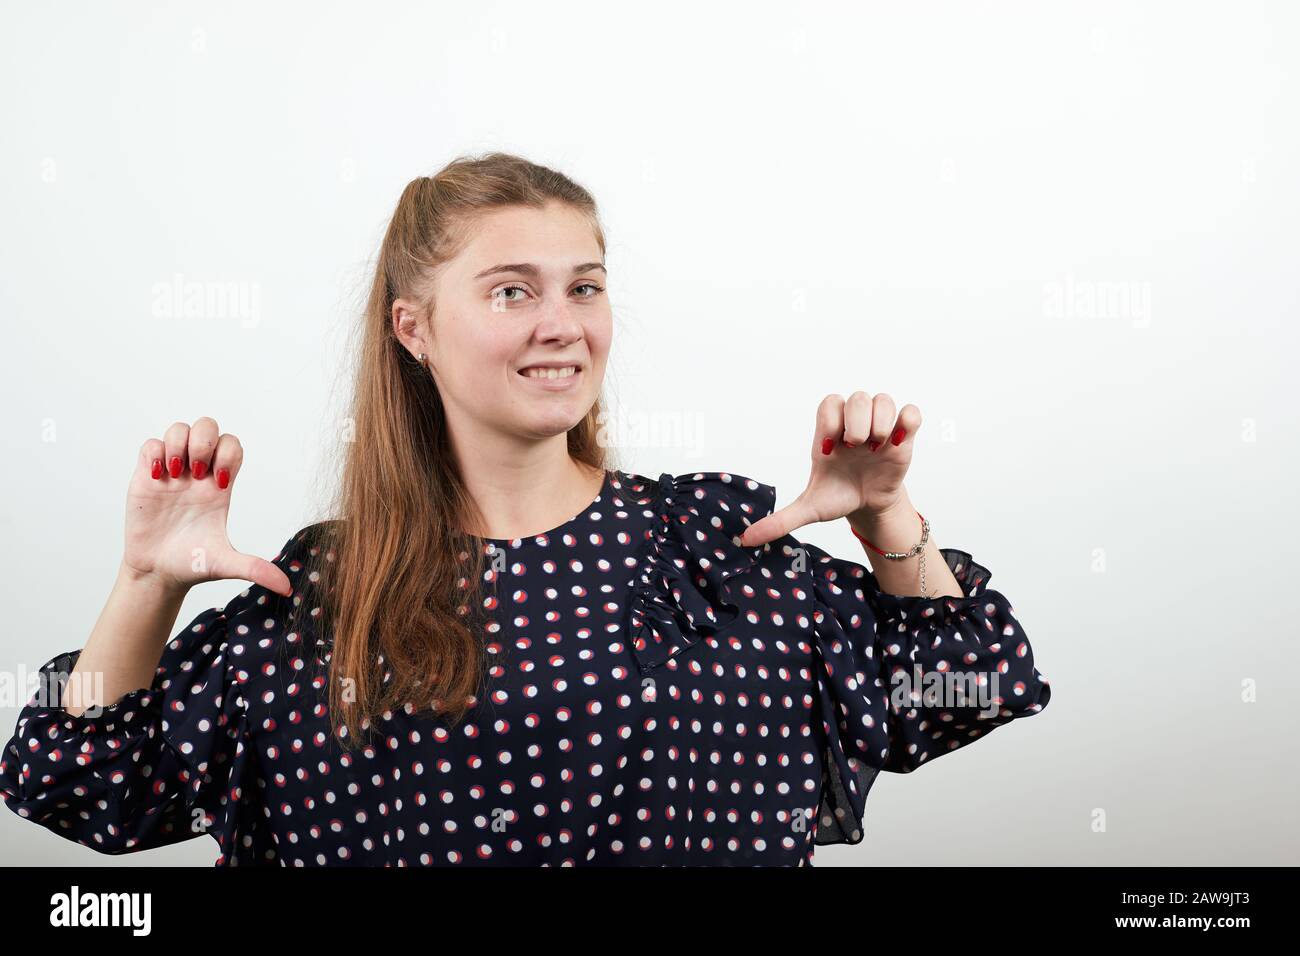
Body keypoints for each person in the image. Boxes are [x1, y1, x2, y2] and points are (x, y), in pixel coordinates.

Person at [0, 152, 1051, 866]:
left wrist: (886, 521)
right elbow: (74, 785)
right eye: (512, 290)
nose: (562, 325)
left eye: (584, 287)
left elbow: (971, 682)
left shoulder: (718, 557)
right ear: (413, 327)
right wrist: (145, 581)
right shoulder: (318, 603)